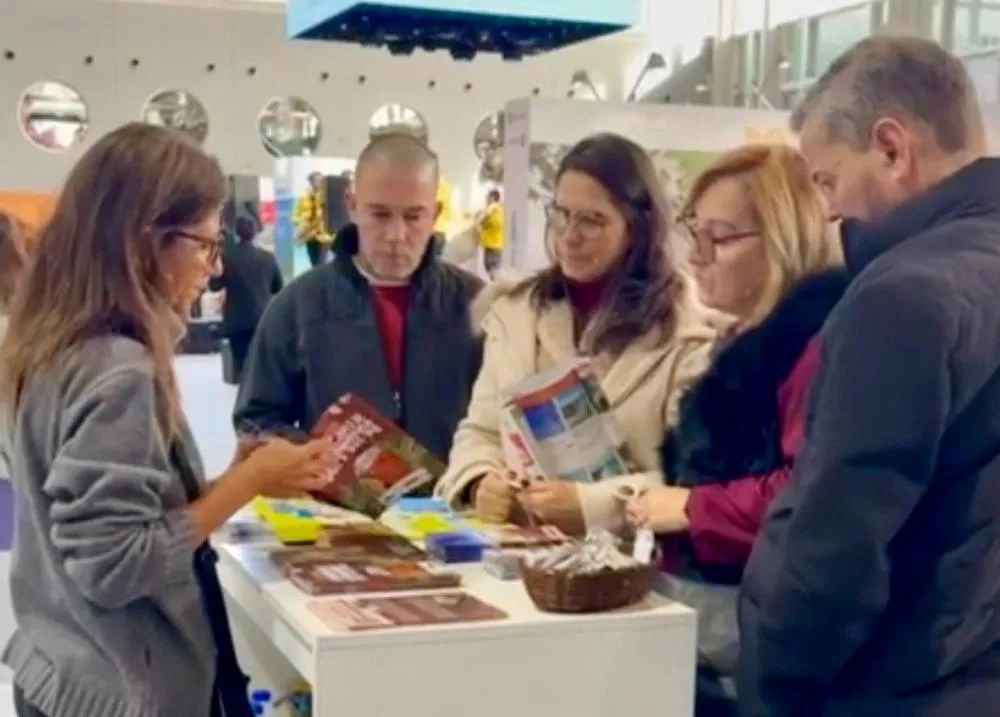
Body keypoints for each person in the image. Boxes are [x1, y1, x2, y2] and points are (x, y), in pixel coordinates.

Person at [0, 123, 334, 717]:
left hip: (59, 663)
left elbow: (104, 518)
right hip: (117, 685)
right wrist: (243, 486)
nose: (216, 267)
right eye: (205, 244)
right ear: (147, 242)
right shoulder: (117, 367)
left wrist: (219, 483)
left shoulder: (51, 342)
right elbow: (116, 566)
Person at [738, 36, 1000, 716]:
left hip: (908, 684)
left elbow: (836, 541)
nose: (826, 210)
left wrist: (776, 684)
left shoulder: (902, 297)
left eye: (826, 179)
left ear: (891, 148)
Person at [619, 145, 844, 712]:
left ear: (781, 237)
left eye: (717, 238)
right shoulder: (748, 337)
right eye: (693, 234)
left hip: (762, 634)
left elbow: (809, 495)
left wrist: (692, 509)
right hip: (720, 620)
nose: (696, 258)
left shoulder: (814, 345)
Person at [435, 133, 724, 535]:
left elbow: (692, 483)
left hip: (637, 571)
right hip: (519, 560)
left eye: (593, 220)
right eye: (561, 214)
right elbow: (481, 430)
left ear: (637, 229)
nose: (569, 236)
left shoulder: (687, 332)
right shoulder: (516, 313)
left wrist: (592, 506)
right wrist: (480, 481)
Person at [234, 133, 483, 464]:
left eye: (413, 217)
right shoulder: (298, 305)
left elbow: (502, 422)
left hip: (454, 509)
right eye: (380, 214)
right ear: (351, 206)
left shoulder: (475, 304)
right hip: (335, 511)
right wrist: (317, 456)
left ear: (434, 214)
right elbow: (256, 418)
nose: (396, 235)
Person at [209, 215, 284, 382]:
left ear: (236, 233)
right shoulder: (268, 258)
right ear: (256, 233)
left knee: (241, 368)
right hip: (262, 318)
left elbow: (214, 285)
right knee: (260, 366)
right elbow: (278, 287)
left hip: (236, 322)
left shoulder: (228, 257)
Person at [294, 171, 334, 266]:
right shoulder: (304, 197)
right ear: (310, 182)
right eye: (315, 180)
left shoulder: (327, 196)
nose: (318, 183)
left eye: (320, 180)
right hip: (309, 236)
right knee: (314, 263)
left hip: (324, 237)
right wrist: (300, 227)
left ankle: (321, 279)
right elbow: (296, 216)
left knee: (321, 263)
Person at [478, 188, 504, 278]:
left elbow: (496, 223)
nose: (486, 199)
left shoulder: (495, 208)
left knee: (493, 270)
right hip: (491, 244)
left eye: (488, 197)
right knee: (491, 269)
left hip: (494, 245)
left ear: (493, 198)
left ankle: (498, 288)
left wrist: (484, 222)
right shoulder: (494, 209)